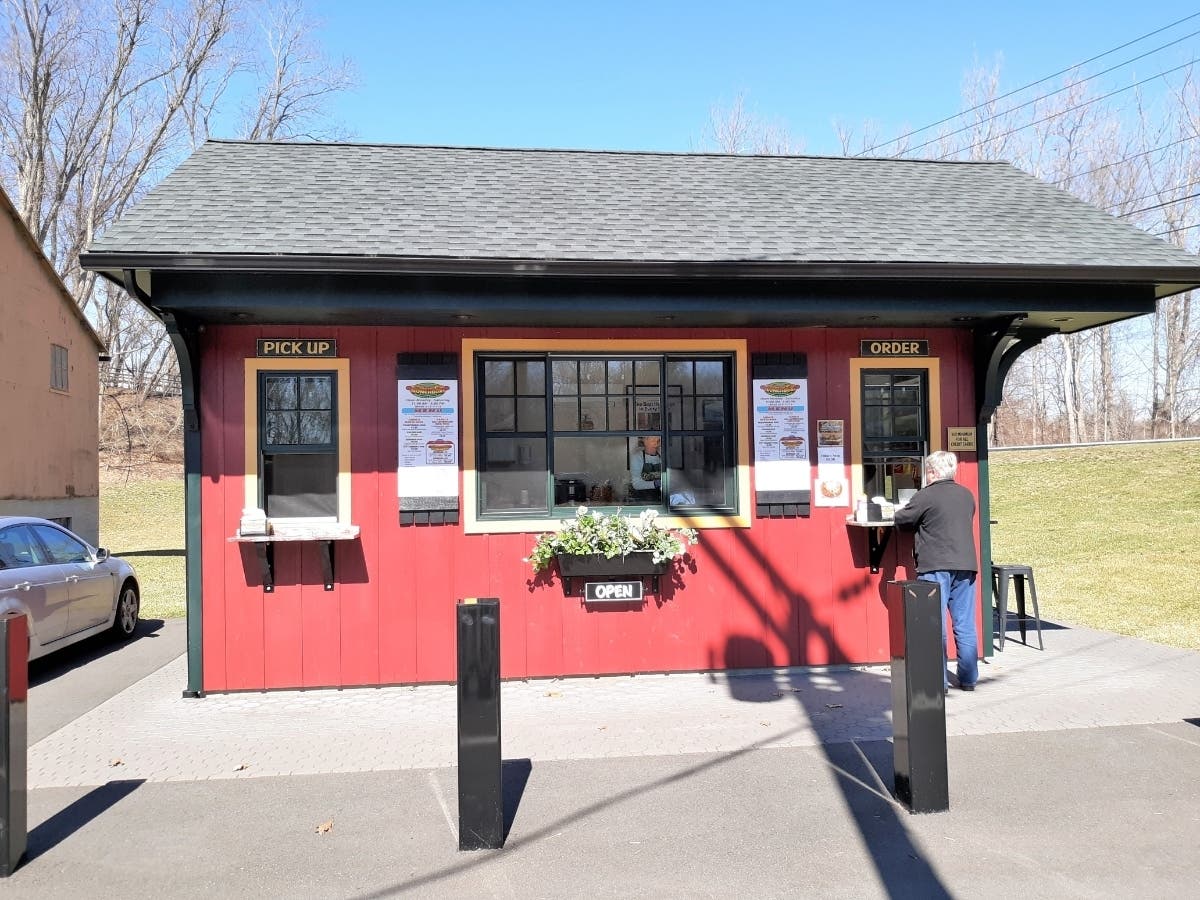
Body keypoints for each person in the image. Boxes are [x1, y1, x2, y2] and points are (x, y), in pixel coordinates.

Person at [893, 450, 979, 692]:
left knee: (934, 625)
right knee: (964, 624)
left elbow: (902, 521)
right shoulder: (966, 495)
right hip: (965, 565)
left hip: (935, 566)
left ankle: (938, 682)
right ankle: (969, 678)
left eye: (926, 471)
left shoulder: (925, 496)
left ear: (932, 472)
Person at [629, 435, 663, 501]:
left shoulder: (662, 456)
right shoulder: (637, 457)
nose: (656, 443)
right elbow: (636, 484)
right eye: (653, 440)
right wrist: (655, 483)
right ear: (645, 441)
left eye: (658, 441)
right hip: (643, 499)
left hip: (661, 498)